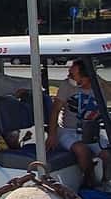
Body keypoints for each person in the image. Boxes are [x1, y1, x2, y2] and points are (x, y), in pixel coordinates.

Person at [47, 58, 110, 187]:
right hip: (68, 131)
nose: (68, 77)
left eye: (72, 75)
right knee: (82, 150)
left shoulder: (99, 86)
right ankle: (89, 184)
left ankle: (105, 183)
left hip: (92, 131)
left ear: (87, 77)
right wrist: (52, 134)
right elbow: (55, 110)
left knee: (106, 154)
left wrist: (100, 81)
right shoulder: (66, 86)